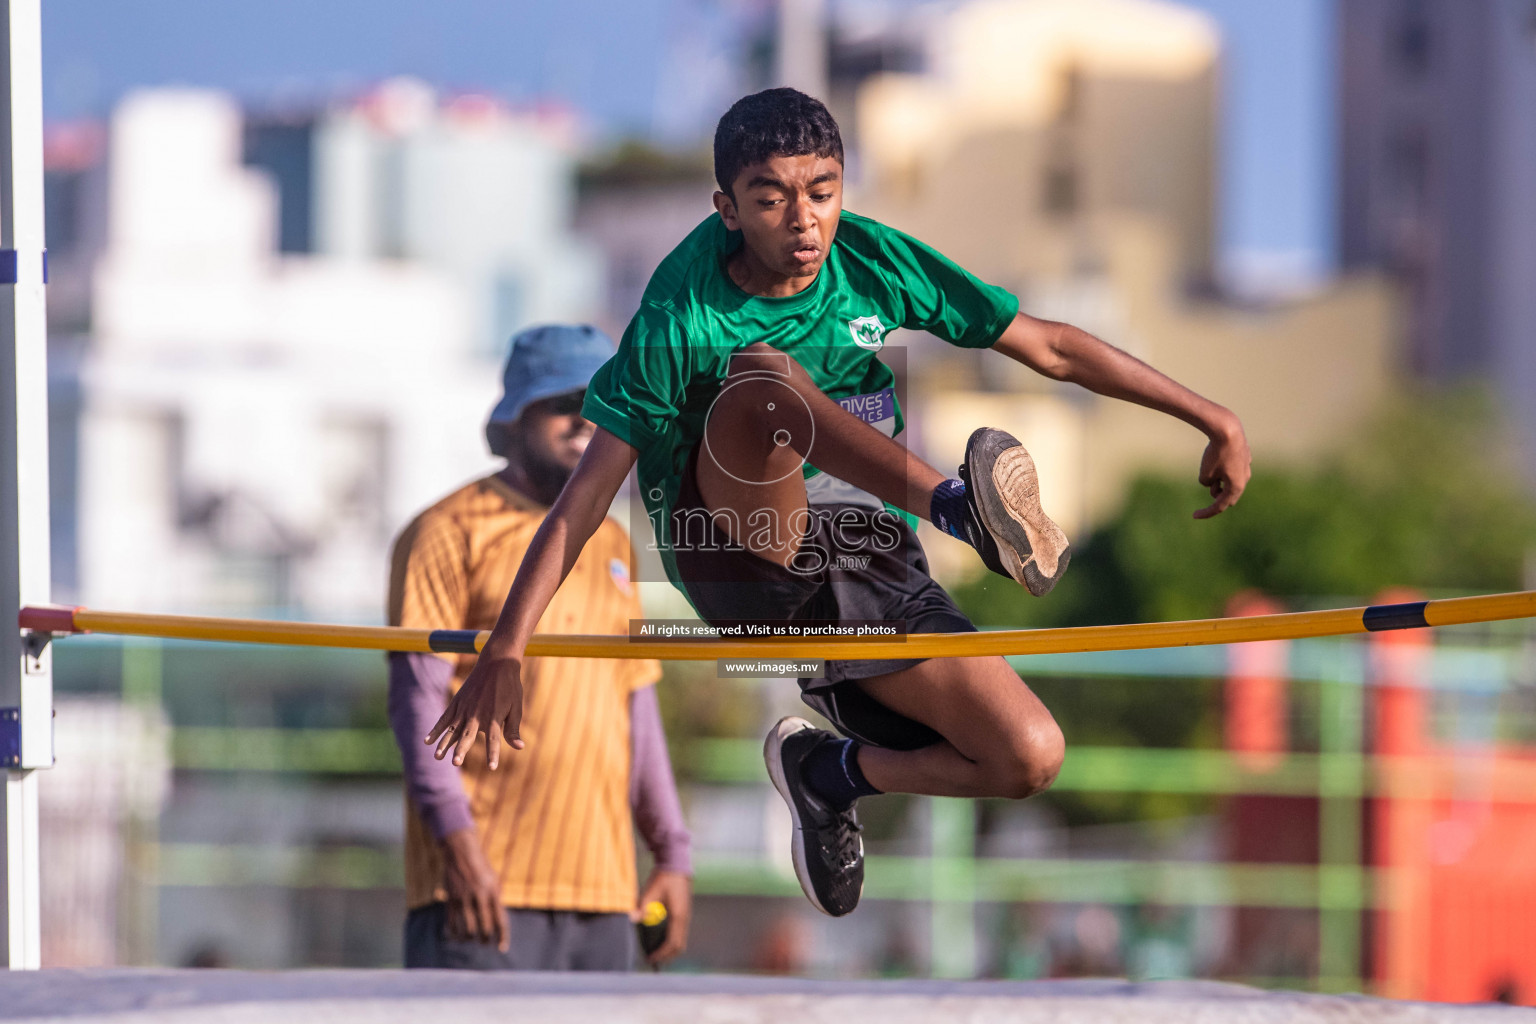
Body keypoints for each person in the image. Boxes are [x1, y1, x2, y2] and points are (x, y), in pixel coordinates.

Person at [425, 90, 1251, 918]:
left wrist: (1210, 415)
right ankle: (965, 511)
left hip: (870, 555)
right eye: (770, 199)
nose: (804, 221)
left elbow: (1050, 346)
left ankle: (828, 775)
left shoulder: (873, 261)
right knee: (764, 378)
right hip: (737, 552)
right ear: (727, 208)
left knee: (1027, 756)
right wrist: (506, 646)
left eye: (821, 191)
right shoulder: (682, 308)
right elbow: (584, 495)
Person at [388, 323, 693, 968]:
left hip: (605, 892)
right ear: (515, 418)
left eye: (600, 399)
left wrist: (671, 852)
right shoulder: (445, 530)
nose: (585, 416)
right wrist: (460, 848)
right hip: (482, 886)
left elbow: (637, 715)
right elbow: (417, 705)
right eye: (563, 401)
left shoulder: (612, 542)